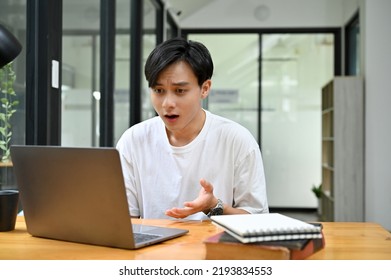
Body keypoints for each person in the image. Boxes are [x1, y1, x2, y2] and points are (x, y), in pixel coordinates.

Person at [116, 37, 269, 220]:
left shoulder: (237, 140)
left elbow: (258, 219)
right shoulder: (133, 140)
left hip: (214, 247)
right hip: (151, 248)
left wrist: (214, 206)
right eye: (158, 90)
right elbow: (126, 221)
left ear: (204, 88)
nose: (167, 103)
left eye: (180, 91)